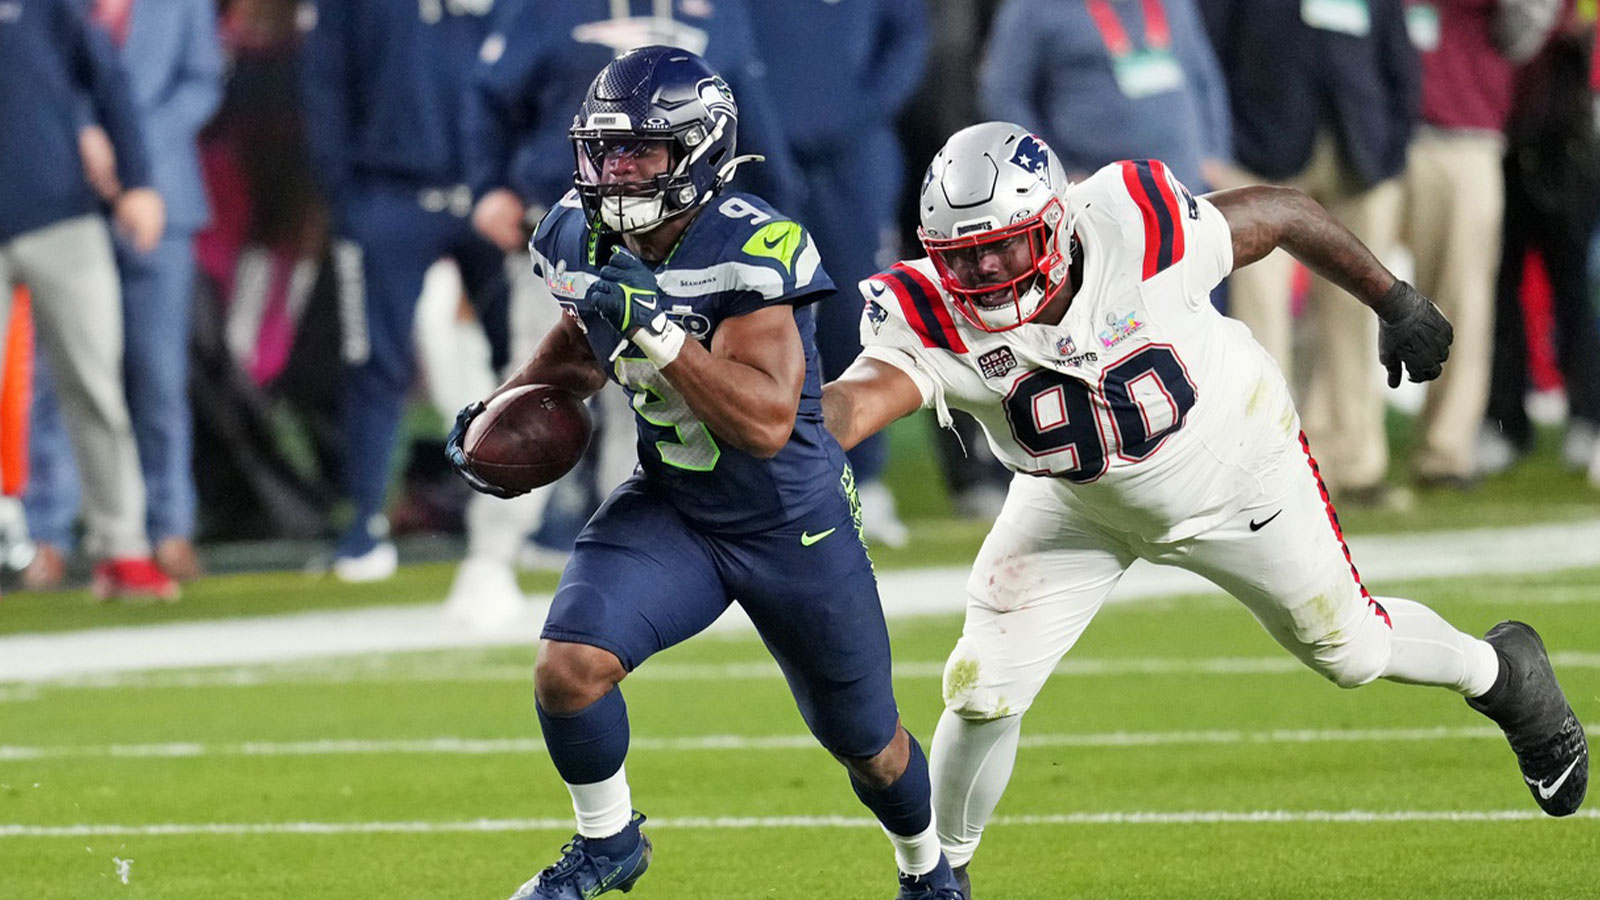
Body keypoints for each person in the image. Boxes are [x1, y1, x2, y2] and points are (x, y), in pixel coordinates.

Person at [821, 123, 1589, 897]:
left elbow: (1286, 212)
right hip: (1076, 500)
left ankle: (1504, 672)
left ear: (1054, 222)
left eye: (1003, 246)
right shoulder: (924, 311)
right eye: (961, 254)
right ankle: (940, 874)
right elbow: (853, 405)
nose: (982, 269)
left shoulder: (1133, 224)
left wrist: (1393, 298)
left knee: (1350, 652)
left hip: (1234, 466)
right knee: (981, 687)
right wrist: (781, 428)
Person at [447, 47, 964, 899]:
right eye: (606, 149)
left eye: (641, 150)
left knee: (869, 745)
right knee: (567, 668)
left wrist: (659, 331)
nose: (616, 169)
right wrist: (502, 410)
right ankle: (608, 844)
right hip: (678, 505)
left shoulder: (755, 246)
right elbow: (580, 349)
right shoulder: (577, 232)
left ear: (699, 150)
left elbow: (763, 423)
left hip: (791, 519)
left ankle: (927, 866)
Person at [300, 0, 510, 581]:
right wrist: (345, 196)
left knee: (532, 359)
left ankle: (536, 518)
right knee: (373, 363)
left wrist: (515, 178)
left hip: (488, 194)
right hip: (388, 192)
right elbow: (324, 80)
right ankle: (366, 521)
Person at [26, 0, 223, 584]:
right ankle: (49, 533)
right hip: (65, 193)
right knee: (56, 375)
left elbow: (203, 82)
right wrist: (84, 135)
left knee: (158, 374)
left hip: (163, 195)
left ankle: (169, 528)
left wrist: (128, 138)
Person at [1199, 0, 1417, 507]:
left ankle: (1356, 464)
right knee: (1258, 324)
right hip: (1261, 157)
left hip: (1357, 154)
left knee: (1361, 315)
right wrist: (1226, 144)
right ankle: (1266, 467)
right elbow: (1210, 48)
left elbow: (1397, 52)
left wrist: (1393, 145)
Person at [1, 0, 177, 599]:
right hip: (52, 211)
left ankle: (121, 548)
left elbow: (109, 79)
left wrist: (140, 181)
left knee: (95, 386)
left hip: (62, 216)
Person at [747, 0, 931, 547]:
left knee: (862, 310)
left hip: (854, 157)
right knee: (761, 315)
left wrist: (857, 111)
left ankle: (864, 476)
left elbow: (907, 37)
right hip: (757, 154)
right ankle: (771, 482)